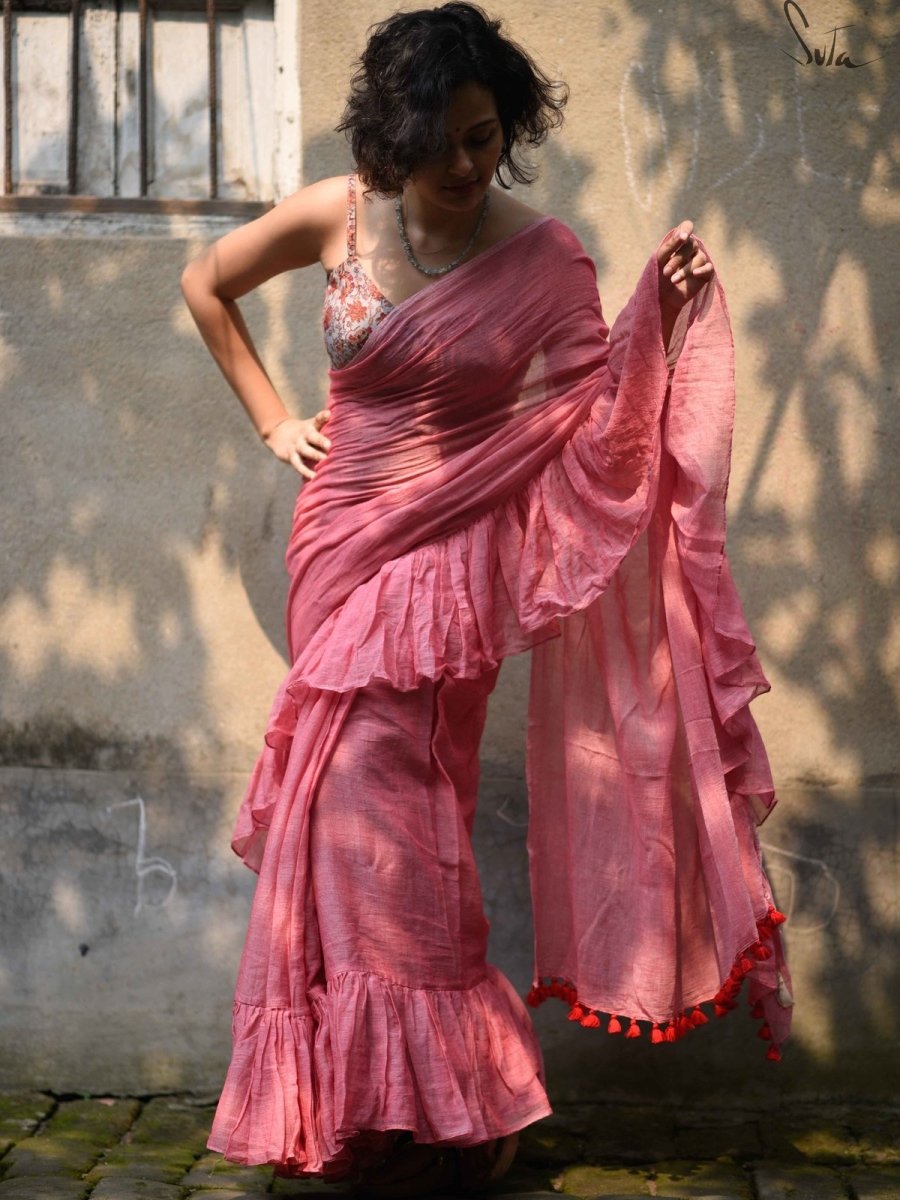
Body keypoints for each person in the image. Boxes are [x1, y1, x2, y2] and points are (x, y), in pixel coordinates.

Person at [180, 4, 793, 1196]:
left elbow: (595, 421)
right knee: (355, 825)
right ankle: (402, 1103)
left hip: (444, 576)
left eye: (484, 137)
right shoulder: (338, 213)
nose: (467, 164)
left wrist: (655, 322)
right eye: (442, 142)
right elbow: (207, 282)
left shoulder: (544, 256)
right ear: (392, 136)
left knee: (393, 814)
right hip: (339, 547)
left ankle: (466, 1095)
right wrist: (272, 421)